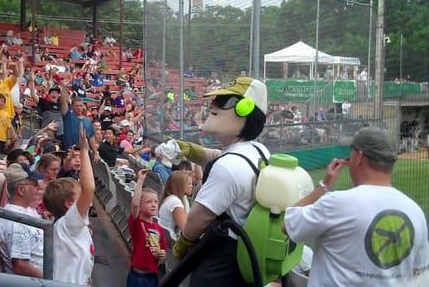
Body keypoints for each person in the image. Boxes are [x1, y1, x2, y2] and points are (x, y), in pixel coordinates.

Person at [283, 127, 429, 287]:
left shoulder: (337, 203)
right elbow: (419, 269)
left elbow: (288, 225)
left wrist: (324, 185)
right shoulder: (416, 213)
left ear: (359, 157)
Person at [172, 77, 270, 287]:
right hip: (246, 253)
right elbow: (222, 156)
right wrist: (193, 151)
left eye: (224, 102)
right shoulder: (258, 150)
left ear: (246, 109)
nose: (214, 105)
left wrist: (184, 242)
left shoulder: (228, 168)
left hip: (221, 264)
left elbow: (198, 218)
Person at [43, 124, 95, 284]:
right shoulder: (68, 224)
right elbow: (89, 188)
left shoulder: (67, 225)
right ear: (69, 204)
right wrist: (85, 150)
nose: (84, 199)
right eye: (79, 195)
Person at [0, 163, 44, 277]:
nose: (39, 188)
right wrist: (52, 279)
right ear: (21, 190)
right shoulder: (18, 223)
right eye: (35, 185)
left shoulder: (17, 212)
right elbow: (20, 266)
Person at [127, 169, 167, 287]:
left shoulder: (158, 228)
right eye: (148, 202)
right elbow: (134, 204)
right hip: (138, 276)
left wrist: (162, 254)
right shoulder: (137, 222)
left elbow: (163, 249)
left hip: (152, 275)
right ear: (140, 205)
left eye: (155, 202)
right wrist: (140, 180)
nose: (154, 204)